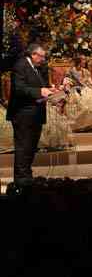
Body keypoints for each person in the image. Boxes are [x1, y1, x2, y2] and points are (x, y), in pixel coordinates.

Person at [6, 43, 54, 187]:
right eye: (42, 57)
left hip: (35, 114)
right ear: (33, 55)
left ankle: (26, 177)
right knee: (23, 148)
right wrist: (40, 92)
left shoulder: (36, 68)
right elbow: (19, 89)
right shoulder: (20, 66)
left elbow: (38, 86)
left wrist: (51, 91)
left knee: (31, 147)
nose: (43, 60)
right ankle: (21, 181)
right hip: (23, 114)